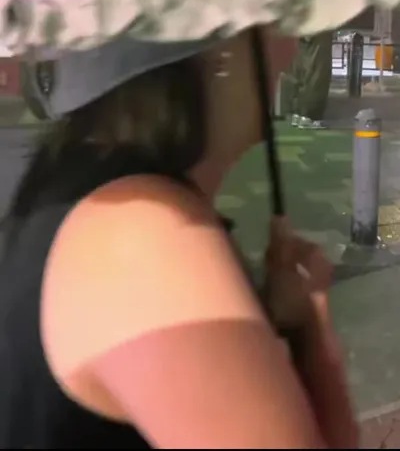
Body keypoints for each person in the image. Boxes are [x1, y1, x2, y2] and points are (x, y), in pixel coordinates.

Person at [0, 30, 358, 448]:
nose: (291, 50)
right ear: (222, 53)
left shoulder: (82, 190)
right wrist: (315, 329)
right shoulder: (144, 235)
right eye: (271, 27)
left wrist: (297, 323)